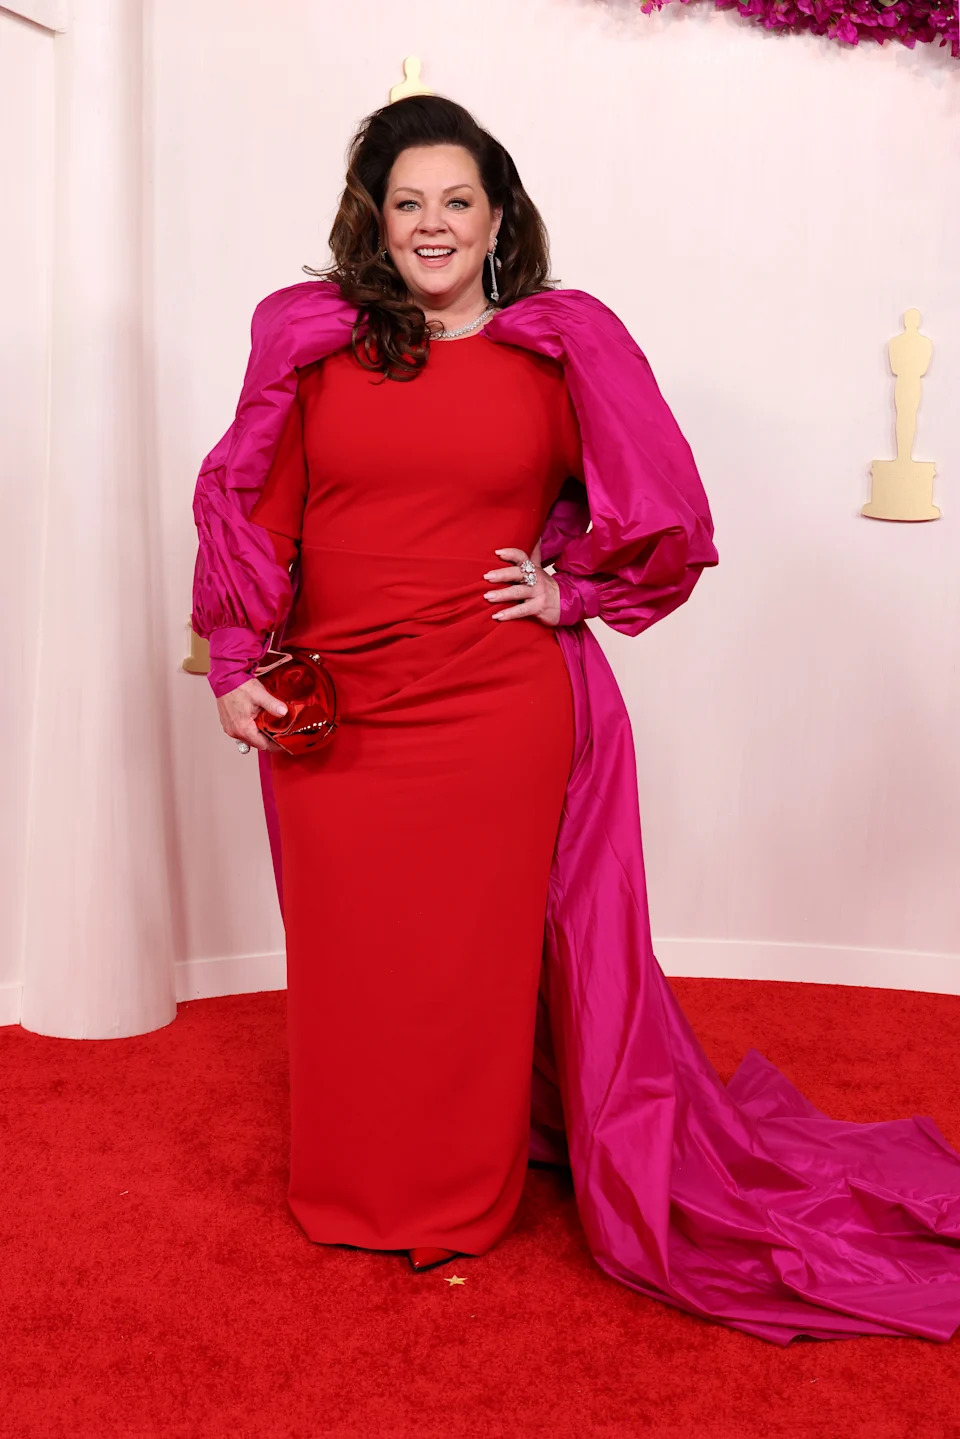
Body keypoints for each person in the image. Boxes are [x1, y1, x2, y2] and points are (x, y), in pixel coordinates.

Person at [192, 95, 960, 1343]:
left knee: (468, 965)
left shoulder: (562, 344)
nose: (432, 224)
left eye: (457, 200)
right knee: (351, 957)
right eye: (407, 202)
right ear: (371, 220)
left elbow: (663, 512)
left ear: (499, 215)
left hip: (496, 704)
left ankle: (456, 1193)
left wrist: (574, 588)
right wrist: (233, 657)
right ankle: (351, 1183)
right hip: (337, 709)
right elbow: (252, 500)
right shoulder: (308, 340)